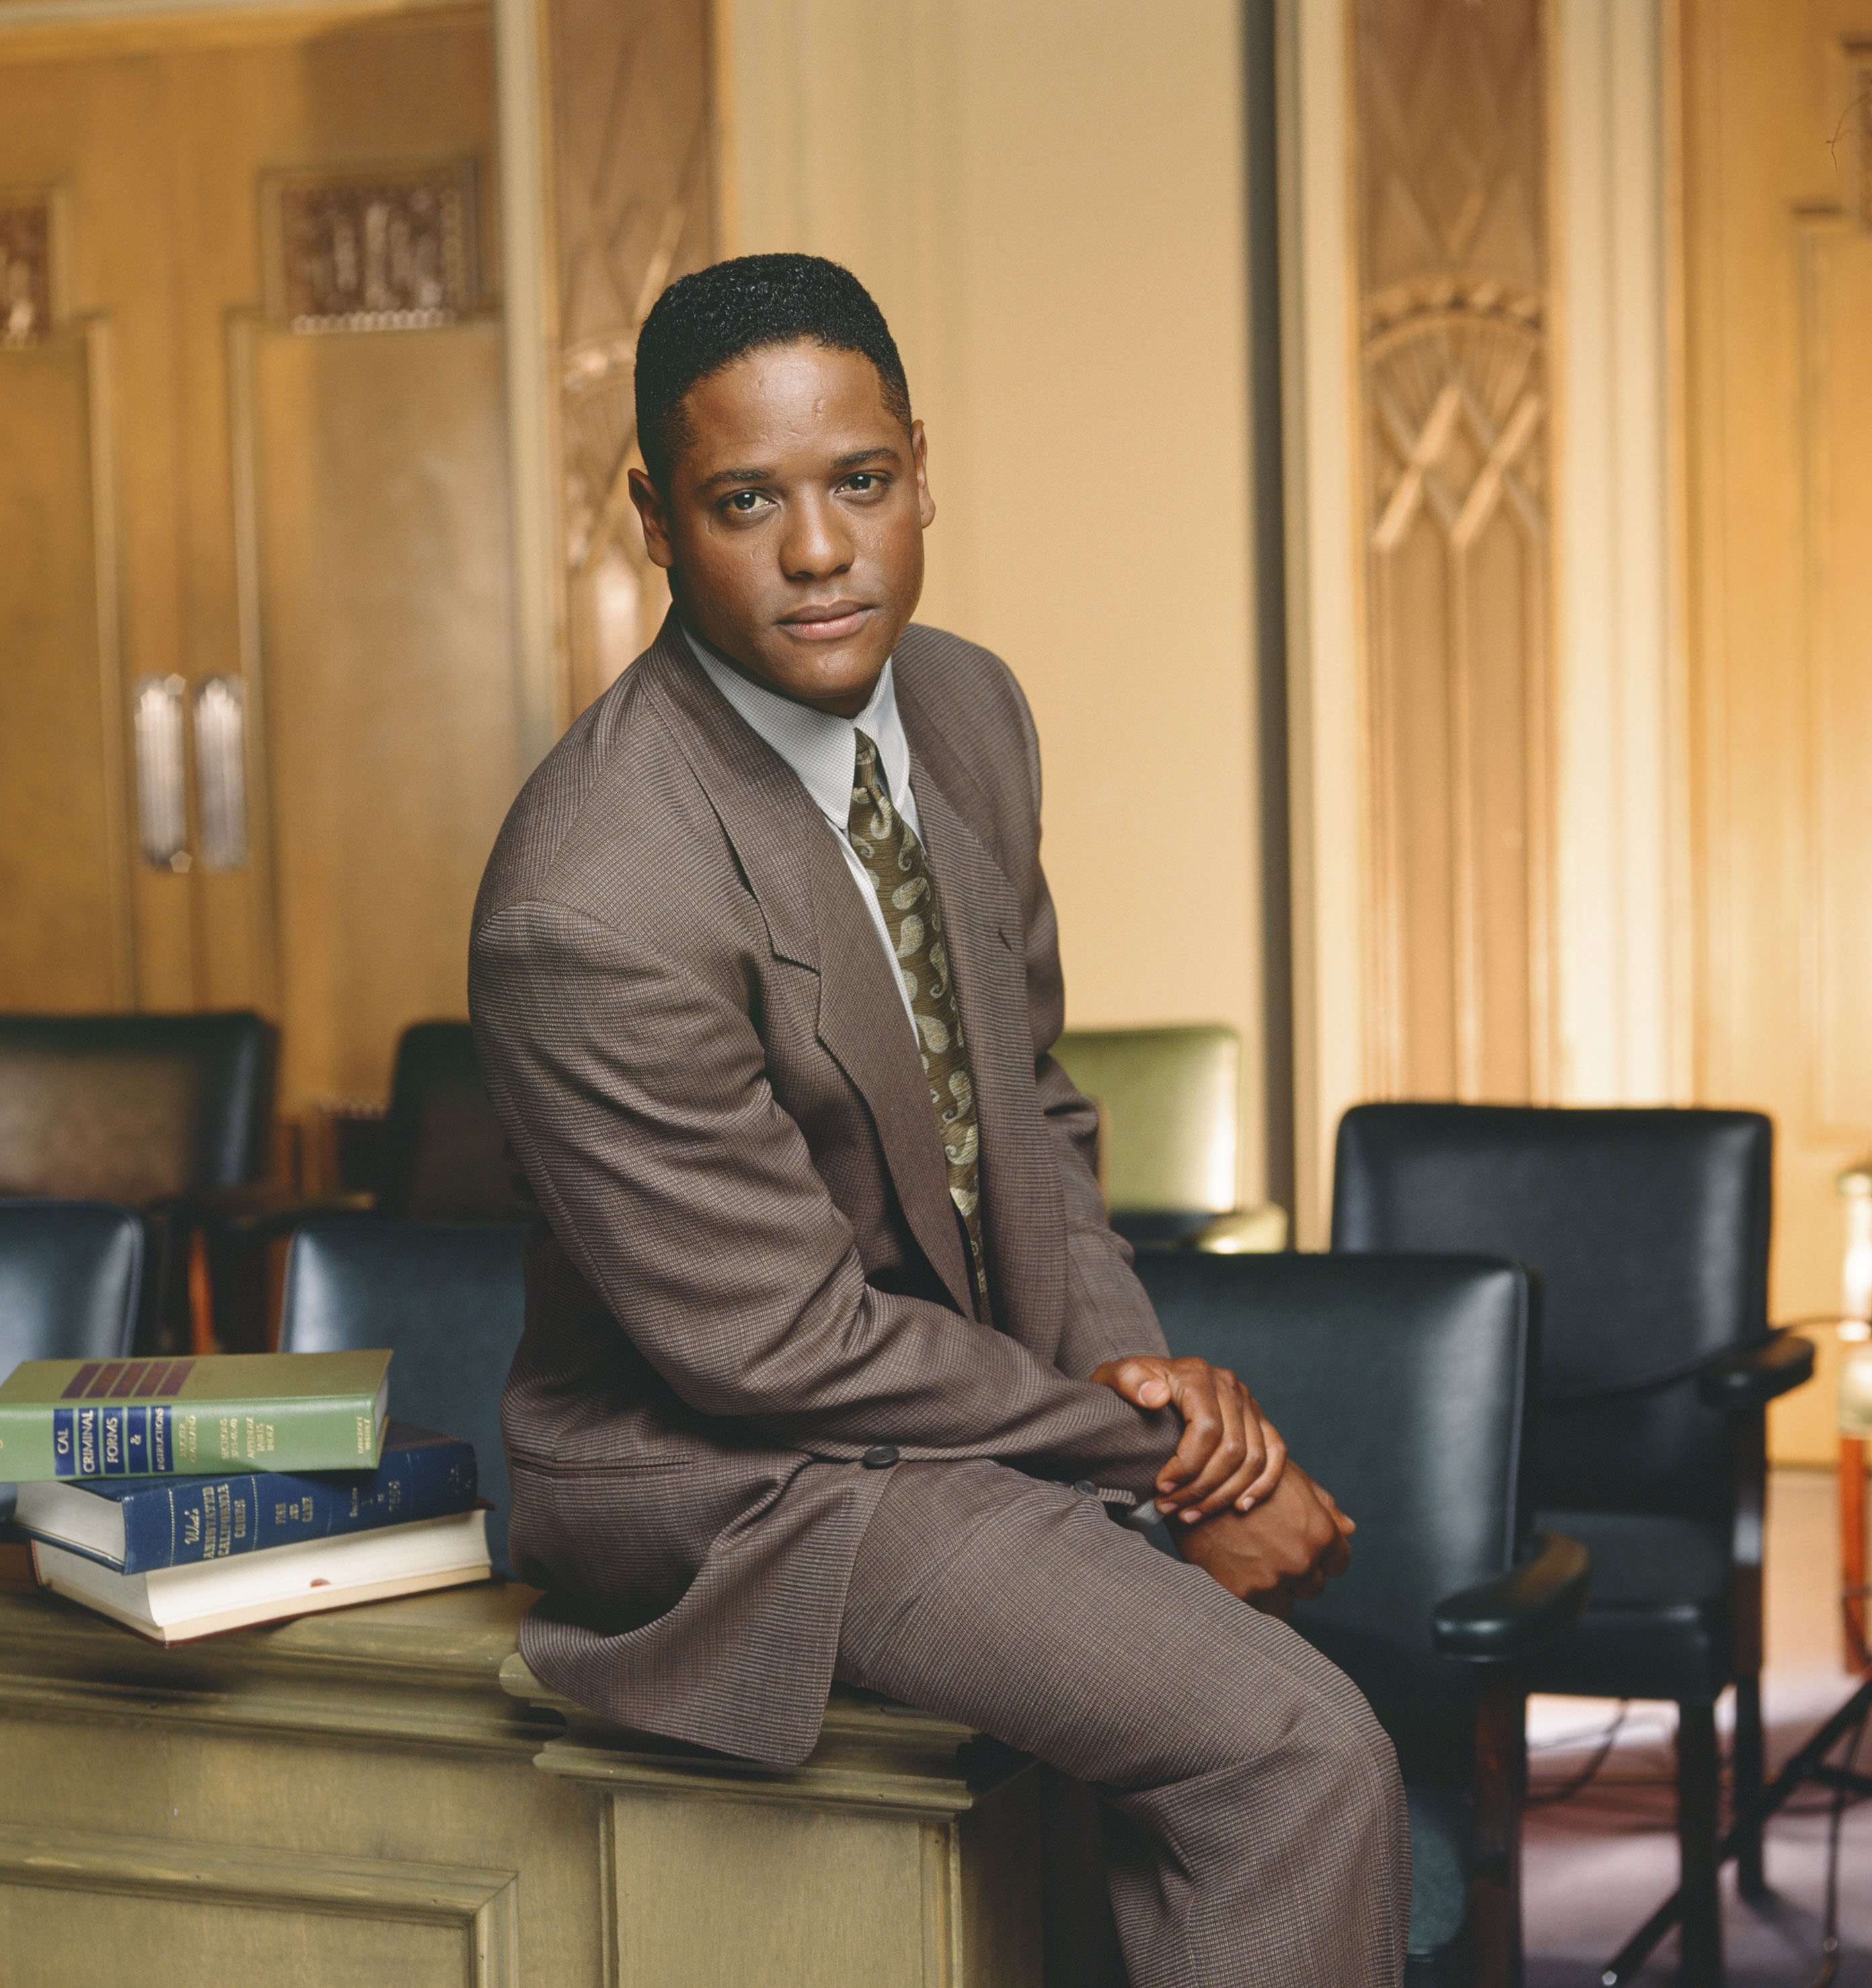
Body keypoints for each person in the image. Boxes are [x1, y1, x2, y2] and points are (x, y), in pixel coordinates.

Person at [470, 252, 1407, 1985]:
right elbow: (777, 1354)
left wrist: (1162, 1399)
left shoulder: (966, 707)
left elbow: (1031, 1117)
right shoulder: (589, 897)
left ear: (920, 465)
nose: (819, 551)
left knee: (1191, 1756)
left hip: (952, 1407)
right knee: (1295, 1750)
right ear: (654, 521)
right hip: (751, 1480)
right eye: (744, 500)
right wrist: (1171, 1464)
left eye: (860, 482)